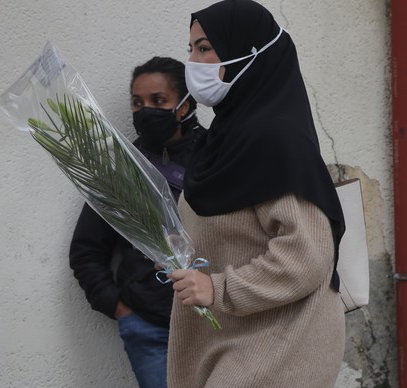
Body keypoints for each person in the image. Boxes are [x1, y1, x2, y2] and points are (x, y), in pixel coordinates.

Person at [166, 1, 347, 387]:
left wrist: (219, 287)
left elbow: (308, 255)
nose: (192, 62)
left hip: (281, 346)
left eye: (204, 48)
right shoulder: (221, 140)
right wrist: (170, 252)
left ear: (246, 53)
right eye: (191, 49)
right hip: (232, 340)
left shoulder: (276, 141)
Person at [69, 56, 205, 388]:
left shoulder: (218, 156)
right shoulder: (124, 169)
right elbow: (86, 250)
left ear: (184, 107)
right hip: (151, 332)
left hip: (216, 329)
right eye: (137, 103)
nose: (146, 111)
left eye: (159, 101)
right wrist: (122, 312)